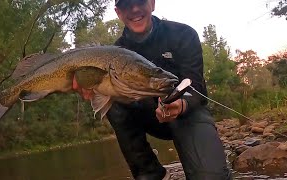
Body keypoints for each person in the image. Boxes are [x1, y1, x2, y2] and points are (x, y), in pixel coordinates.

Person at [73, 0, 232, 179]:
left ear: (152, 3)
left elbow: (196, 86)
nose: (134, 9)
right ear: (118, 12)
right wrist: (91, 86)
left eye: (140, 1)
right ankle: (150, 174)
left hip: (189, 113)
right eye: (127, 4)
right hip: (148, 117)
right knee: (111, 96)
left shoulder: (183, 34)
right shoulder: (115, 52)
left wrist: (181, 105)